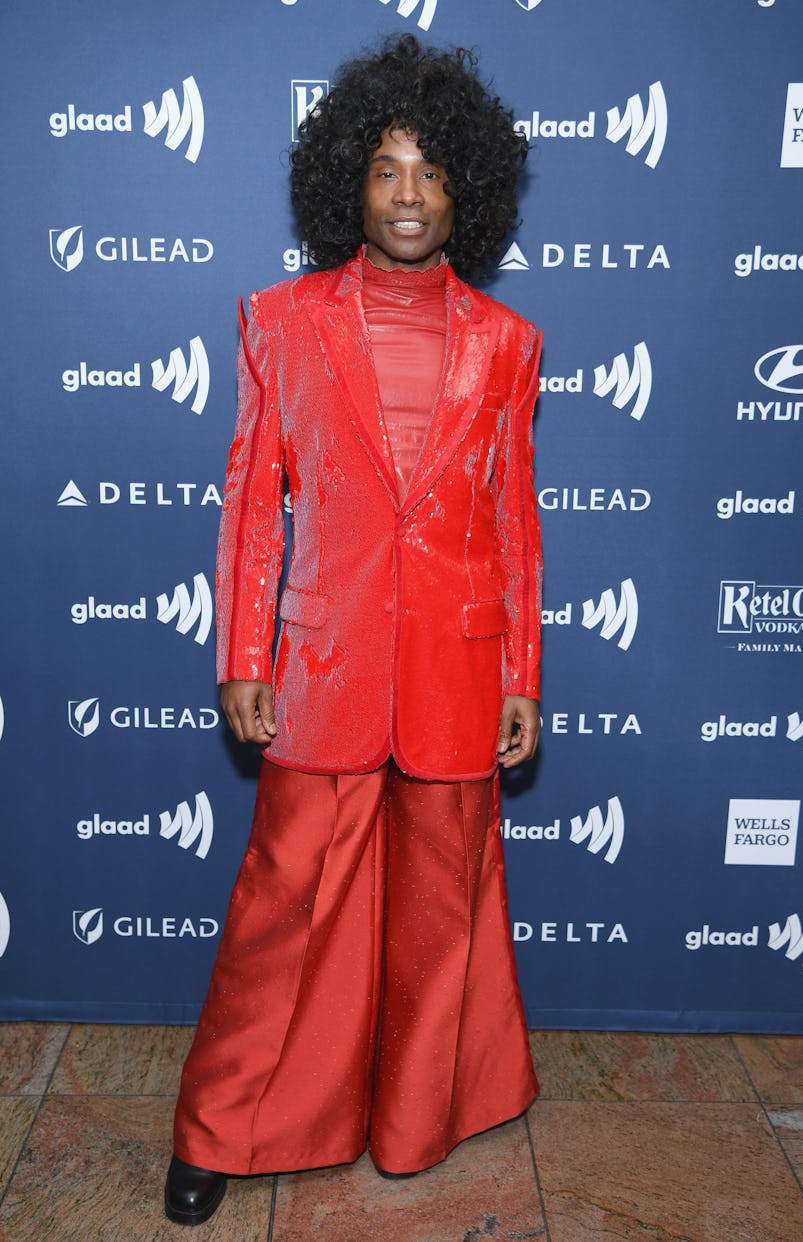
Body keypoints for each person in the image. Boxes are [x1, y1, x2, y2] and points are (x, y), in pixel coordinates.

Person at [164, 33, 543, 1226]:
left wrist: (524, 671)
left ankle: (411, 1120)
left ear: (465, 188)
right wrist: (241, 657)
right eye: (387, 169)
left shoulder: (509, 344)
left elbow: (515, 524)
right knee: (283, 911)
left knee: (441, 914)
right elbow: (251, 505)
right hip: (321, 667)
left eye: (432, 171)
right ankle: (217, 1132)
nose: (411, 194)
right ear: (348, 181)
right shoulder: (278, 323)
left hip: (457, 666)